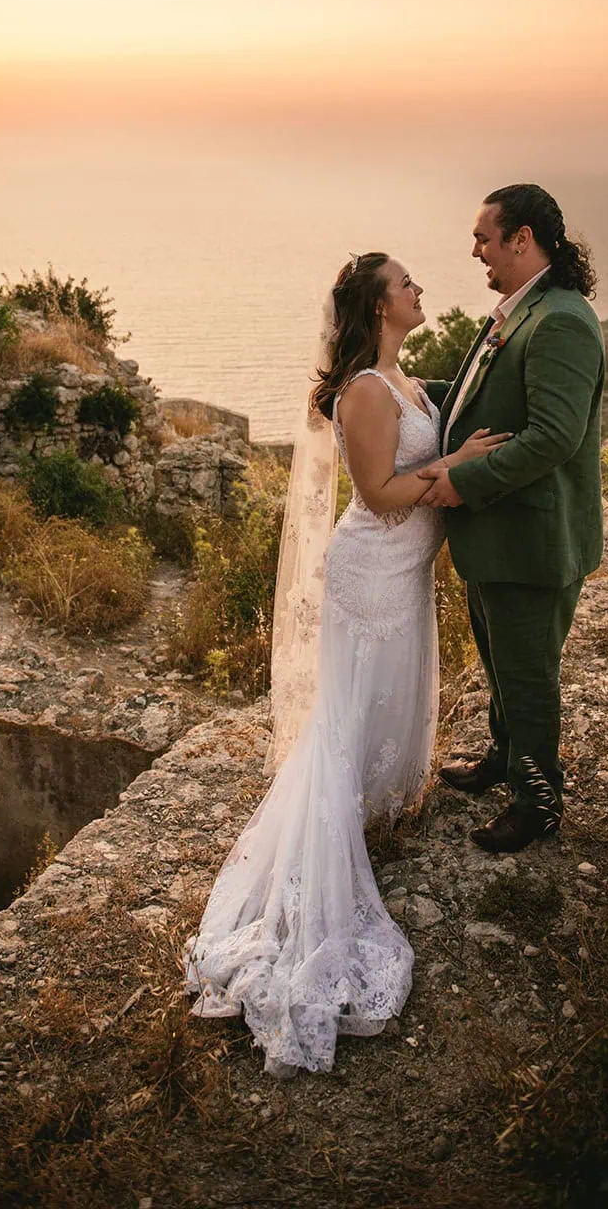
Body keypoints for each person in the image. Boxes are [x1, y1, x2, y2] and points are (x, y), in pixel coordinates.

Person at [184, 253, 507, 1076]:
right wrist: (460, 464)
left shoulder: (412, 384)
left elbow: (412, 476)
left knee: (392, 696)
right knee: (351, 709)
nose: (419, 289)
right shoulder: (366, 388)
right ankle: (333, 843)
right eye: (406, 283)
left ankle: (380, 804)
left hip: (404, 576)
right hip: (370, 574)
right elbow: (379, 496)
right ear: (376, 306)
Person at [417, 184, 604, 854]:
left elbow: (554, 436)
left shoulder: (561, 321)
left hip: (532, 541)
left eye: (484, 237)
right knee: (502, 664)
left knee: (527, 676)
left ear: (522, 239)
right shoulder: (518, 310)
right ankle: (504, 758)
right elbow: (478, 403)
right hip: (499, 539)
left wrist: (462, 484)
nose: (476, 250)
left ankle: (538, 802)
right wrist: (402, 391)